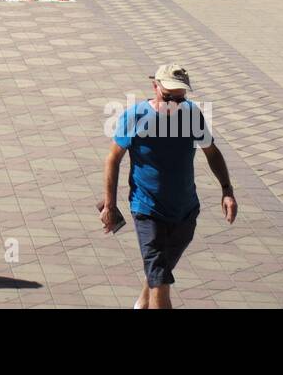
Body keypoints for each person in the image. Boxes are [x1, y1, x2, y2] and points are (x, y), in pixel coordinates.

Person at [101, 64, 237, 310]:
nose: (174, 104)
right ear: (155, 87)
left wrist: (227, 190)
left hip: (186, 212)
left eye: (180, 98)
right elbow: (113, 159)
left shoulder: (192, 114)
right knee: (160, 277)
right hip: (147, 210)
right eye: (168, 97)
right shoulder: (135, 116)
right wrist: (110, 205)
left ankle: (142, 303)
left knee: (160, 272)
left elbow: (212, 152)